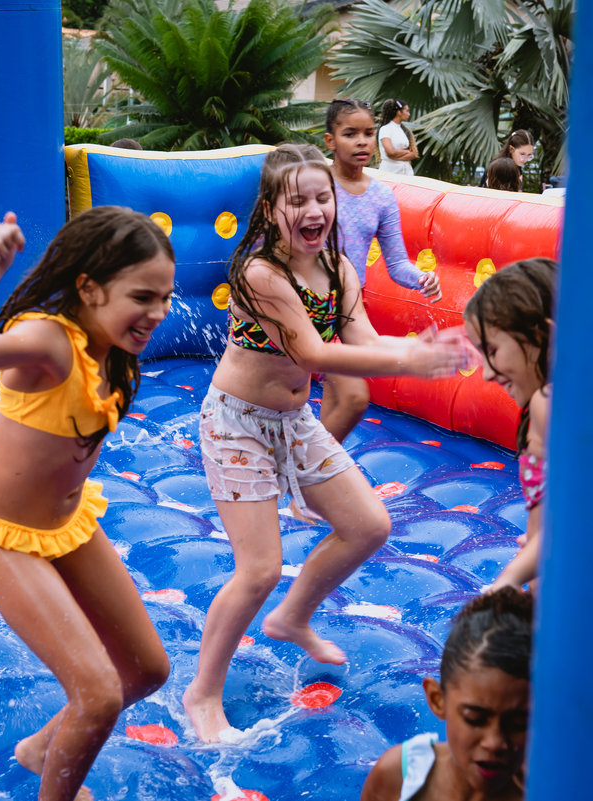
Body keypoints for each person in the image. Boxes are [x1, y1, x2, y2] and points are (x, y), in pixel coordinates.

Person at [182, 144, 467, 743]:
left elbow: (359, 335)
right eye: (299, 201)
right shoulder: (261, 274)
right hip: (236, 423)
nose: (314, 210)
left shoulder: (340, 268)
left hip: (292, 422)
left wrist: (414, 350)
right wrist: (411, 361)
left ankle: (293, 617)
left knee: (369, 525)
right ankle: (202, 693)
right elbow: (312, 352)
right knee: (258, 568)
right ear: (270, 210)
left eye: (322, 198)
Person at [0, 207, 175, 801]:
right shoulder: (47, 340)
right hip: (5, 535)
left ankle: (44, 746)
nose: (159, 313)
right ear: (89, 288)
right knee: (97, 694)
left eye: (165, 297)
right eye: (143, 296)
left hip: (67, 525)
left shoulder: (111, 344)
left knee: (146, 670)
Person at [320, 98, 442, 443]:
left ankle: (308, 482)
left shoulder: (381, 196)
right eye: (350, 134)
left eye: (369, 133)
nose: (362, 141)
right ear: (330, 141)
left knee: (343, 399)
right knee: (351, 397)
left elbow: (397, 263)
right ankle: (308, 472)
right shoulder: (315, 185)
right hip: (305, 303)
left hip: (347, 311)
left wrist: (421, 278)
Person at [360, 588, 532, 801]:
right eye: (474, 719)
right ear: (437, 700)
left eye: (518, 723)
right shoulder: (399, 778)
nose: (495, 742)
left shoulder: (550, 792)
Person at [463, 258, 557, 592]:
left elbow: (573, 518)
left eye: (492, 351)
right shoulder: (546, 403)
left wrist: (506, 582)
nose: (487, 373)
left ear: (540, 335)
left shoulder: (549, 403)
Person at [377, 99, 418, 176]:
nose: (409, 114)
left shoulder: (405, 131)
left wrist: (395, 157)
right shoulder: (385, 129)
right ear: (399, 112)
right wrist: (406, 152)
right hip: (390, 172)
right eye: (407, 111)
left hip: (406, 173)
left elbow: (414, 154)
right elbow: (390, 152)